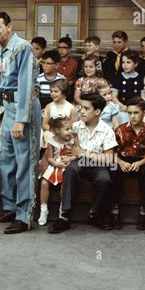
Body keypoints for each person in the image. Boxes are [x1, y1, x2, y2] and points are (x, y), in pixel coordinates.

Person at [0, 11, 41, 234]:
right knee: (8, 160)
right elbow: (2, 81)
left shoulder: (23, 47)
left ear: (9, 27)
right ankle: (10, 208)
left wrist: (21, 120)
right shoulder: (1, 49)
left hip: (25, 109)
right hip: (7, 107)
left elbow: (26, 86)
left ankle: (24, 216)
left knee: (25, 163)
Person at [48, 93, 118, 233]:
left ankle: (95, 213)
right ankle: (64, 217)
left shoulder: (106, 130)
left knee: (104, 179)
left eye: (86, 109)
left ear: (97, 112)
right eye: (81, 108)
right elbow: (62, 139)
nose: (81, 111)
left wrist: (83, 153)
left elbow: (109, 159)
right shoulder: (75, 126)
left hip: (96, 164)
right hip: (77, 161)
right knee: (70, 171)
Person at [113, 97, 145, 230]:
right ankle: (114, 211)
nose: (133, 116)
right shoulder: (120, 130)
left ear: (144, 112)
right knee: (113, 172)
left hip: (142, 160)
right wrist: (120, 162)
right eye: (130, 113)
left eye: (136, 113)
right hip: (122, 159)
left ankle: (144, 211)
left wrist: (139, 163)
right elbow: (112, 152)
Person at [38, 117, 77, 226]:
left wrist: (70, 159)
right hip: (55, 164)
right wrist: (56, 164)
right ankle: (43, 209)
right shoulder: (52, 141)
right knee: (44, 183)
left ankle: (62, 208)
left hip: (66, 164)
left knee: (64, 184)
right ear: (57, 131)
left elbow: (76, 154)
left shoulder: (72, 140)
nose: (70, 131)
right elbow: (50, 158)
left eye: (70, 129)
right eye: (67, 129)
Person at [41, 79, 77, 148]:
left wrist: (64, 132)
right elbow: (44, 124)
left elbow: (73, 125)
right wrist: (54, 131)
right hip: (52, 133)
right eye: (51, 91)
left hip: (66, 135)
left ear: (64, 93)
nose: (53, 94)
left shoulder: (71, 108)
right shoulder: (48, 107)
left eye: (56, 91)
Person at [111, 51, 144, 124]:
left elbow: (143, 97)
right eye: (123, 62)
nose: (125, 65)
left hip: (136, 110)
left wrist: (140, 107)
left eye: (128, 62)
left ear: (135, 64)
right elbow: (113, 96)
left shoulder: (140, 78)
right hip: (122, 109)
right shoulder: (118, 78)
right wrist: (121, 105)